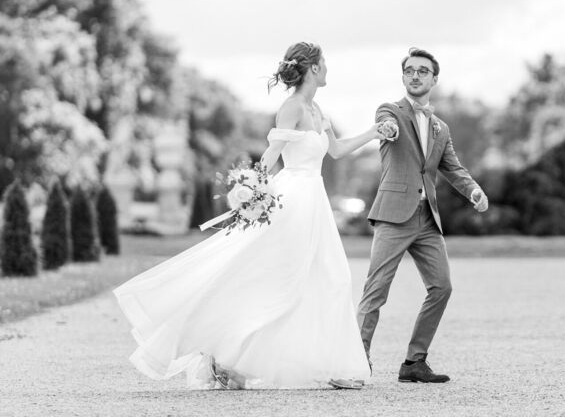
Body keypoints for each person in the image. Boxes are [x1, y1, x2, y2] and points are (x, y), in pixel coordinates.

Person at [114, 42, 381, 390]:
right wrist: (251, 189)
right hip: (292, 201)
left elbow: (338, 151)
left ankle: (331, 364)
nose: (328, 68)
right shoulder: (291, 108)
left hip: (314, 201)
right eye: (324, 62)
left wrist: (374, 132)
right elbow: (272, 154)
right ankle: (226, 355)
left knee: (332, 277)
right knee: (275, 277)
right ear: (313, 68)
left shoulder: (318, 110)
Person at [356, 47, 489, 384]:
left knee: (442, 287)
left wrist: (474, 190)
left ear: (434, 78)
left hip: (427, 219)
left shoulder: (440, 128)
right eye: (410, 70)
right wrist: (387, 129)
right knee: (376, 290)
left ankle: (415, 361)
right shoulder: (389, 111)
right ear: (404, 77)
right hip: (392, 215)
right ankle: (356, 359)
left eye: (423, 71)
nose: (415, 75)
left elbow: (453, 169)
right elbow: (386, 125)